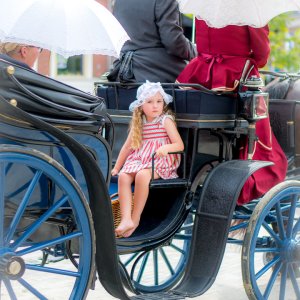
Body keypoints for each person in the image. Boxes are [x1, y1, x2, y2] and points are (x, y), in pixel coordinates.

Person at [177, 19, 288, 205]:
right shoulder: (247, 7)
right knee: (259, 126)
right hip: (235, 73)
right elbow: (262, 55)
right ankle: (251, 176)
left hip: (201, 72)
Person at [111, 81, 184, 237]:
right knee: (123, 177)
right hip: (140, 159)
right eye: (150, 102)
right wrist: (117, 167)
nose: (155, 106)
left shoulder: (166, 120)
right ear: (141, 105)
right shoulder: (140, 123)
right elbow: (126, 147)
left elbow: (179, 145)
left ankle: (135, 218)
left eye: (159, 101)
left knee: (143, 175)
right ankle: (125, 218)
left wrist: (166, 148)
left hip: (159, 161)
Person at [107, 0, 196, 83]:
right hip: (156, 72)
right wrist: (196, 52)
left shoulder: (119, 1)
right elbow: (173, 42)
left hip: (123, 72)